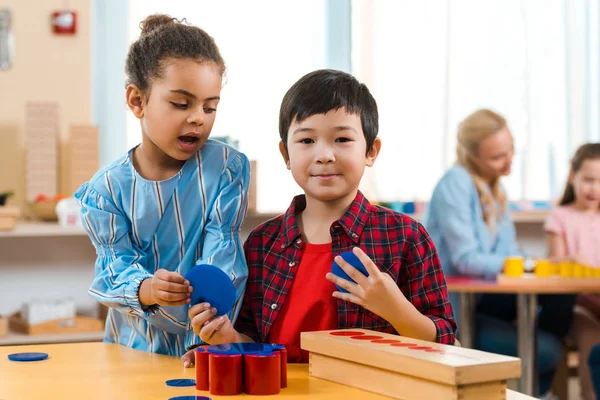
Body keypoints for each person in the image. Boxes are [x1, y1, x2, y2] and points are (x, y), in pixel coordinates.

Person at [182, 69, 456, 366]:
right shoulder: (262, 243)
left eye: (341, 139)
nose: (324, 155)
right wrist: (227, 339)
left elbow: (446, 343)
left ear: (371, 151)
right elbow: (253, 342)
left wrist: (396, 309)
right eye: (307, 141)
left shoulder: (405, 236)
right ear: (286, 154)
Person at [75, 14, 249, 359]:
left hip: (205, 345)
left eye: (210, 106)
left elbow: (222, 259)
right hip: (130, 352)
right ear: (137, 101)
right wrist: (148, 288)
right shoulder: (104, 191)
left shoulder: (226, 169)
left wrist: (207, 340)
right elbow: (114, 269)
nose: (198, 117)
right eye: (181, 104)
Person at [423, 109, 574, 397]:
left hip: (485, 301)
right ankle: (531, 389)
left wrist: (536, 263)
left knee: (562, 296)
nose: (508, 164)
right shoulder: (457, 183)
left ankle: (531, 390)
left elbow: (509, 251)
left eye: (511, 152)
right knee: (549, 350)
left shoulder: (494, 188)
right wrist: (524, 263)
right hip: (457, 311)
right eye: (497, 157)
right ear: (473, 156)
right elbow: (466, 259)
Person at [545, 143, 600, 400]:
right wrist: (569, 259)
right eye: (588, 180)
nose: (594, 188)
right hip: (578, 304)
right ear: (572, 177)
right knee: (591, 341)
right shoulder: (560, 216)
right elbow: (555, 264)